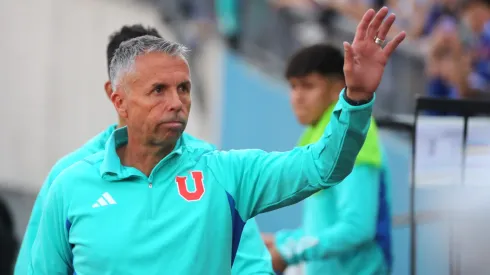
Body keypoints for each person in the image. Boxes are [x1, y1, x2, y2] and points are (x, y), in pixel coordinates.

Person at [30, 7, 405, 274]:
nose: (176, 103)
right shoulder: (69, 186)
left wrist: (355, 100)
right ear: (118, 99)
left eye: (184, 89)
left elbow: (322, 166)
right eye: (158, 90)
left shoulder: (222, 172)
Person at [16, 24, 273, 275]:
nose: (172, 100)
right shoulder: (68, 177)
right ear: (115, 93)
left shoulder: (212, 168)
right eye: (157, 88)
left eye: (178, 86)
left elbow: (251, 264)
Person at [263, 44, 393, 275]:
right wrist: (281, 242)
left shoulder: (355, 134)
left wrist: (289, 252)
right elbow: (322, 226)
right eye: (293, 87)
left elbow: (357, 229)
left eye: (308, 86)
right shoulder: (319, 133)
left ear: (336, 90)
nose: (297, 98)